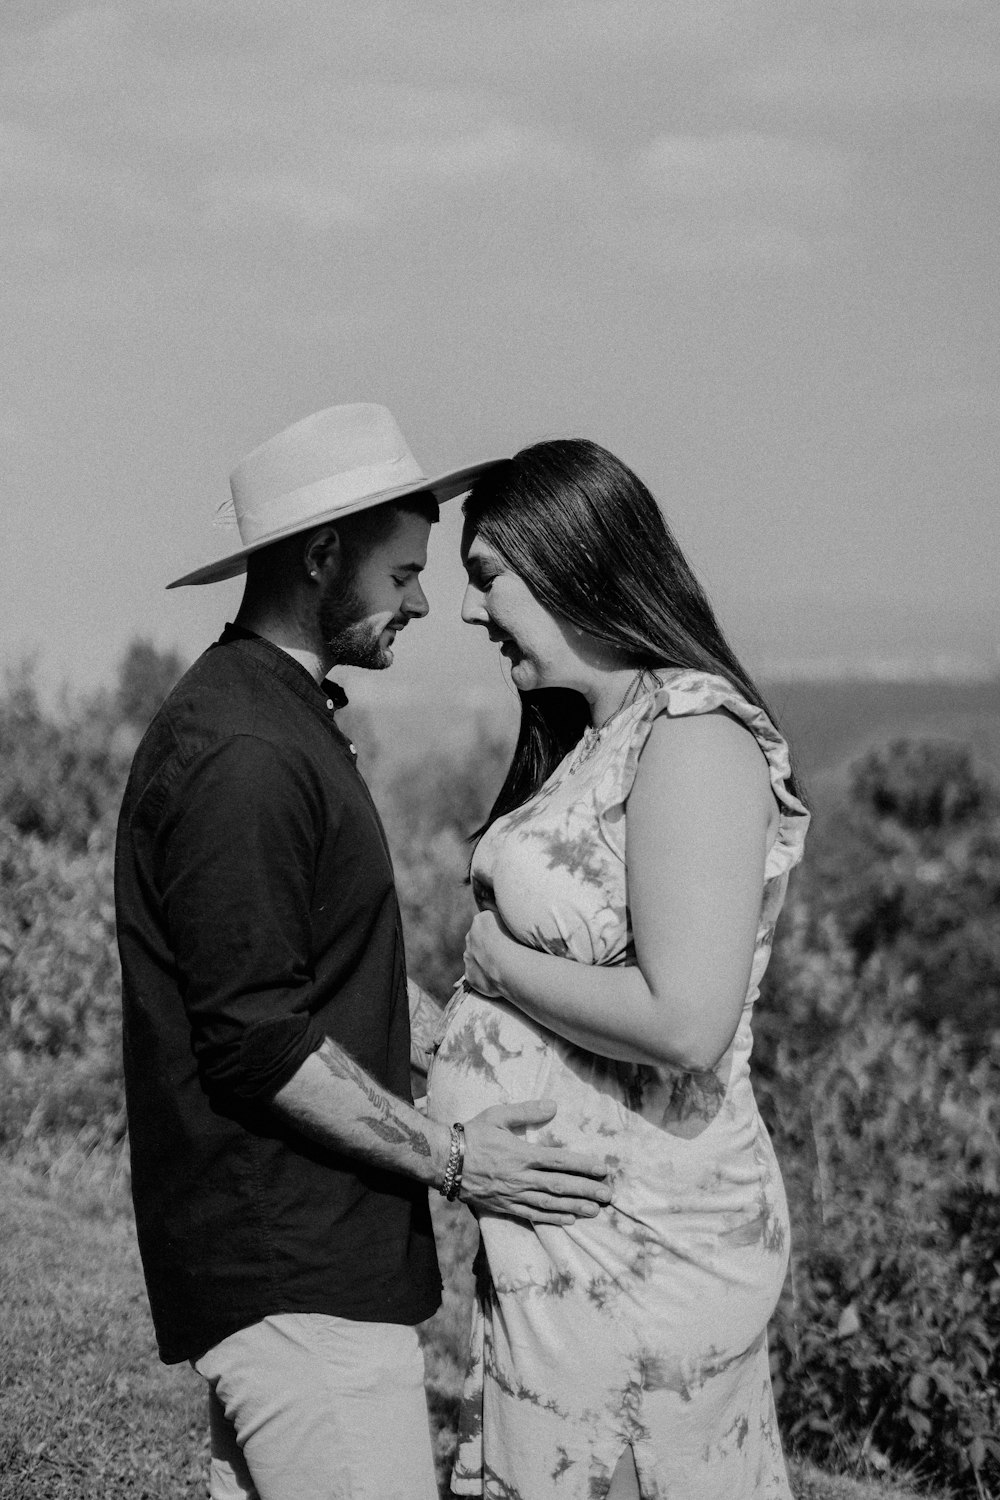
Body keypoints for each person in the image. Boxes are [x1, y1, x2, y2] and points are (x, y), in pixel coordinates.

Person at [114, 404, 611, 1500]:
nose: (425, 602)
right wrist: (456, 1159)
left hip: (300, 1272)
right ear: (321, 555)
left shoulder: (275, 719)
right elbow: (258, 1041)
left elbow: (339, 980)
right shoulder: (243, 750)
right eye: (401, 574)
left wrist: (499, 1057)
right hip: (296, 1285)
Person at [424, 438, 810, 1500]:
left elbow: (686, 1018)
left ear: (570, 563)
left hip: (649, 1245)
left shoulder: (692, 738)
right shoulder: (597, 734)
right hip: (571, 1237)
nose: (470, 611)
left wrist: (496, 967)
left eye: (486, 576)